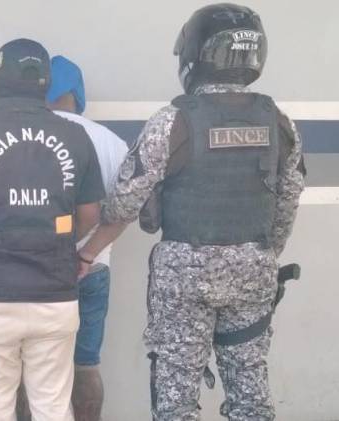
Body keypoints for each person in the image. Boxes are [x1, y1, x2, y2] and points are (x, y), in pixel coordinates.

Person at [80, 4, 305, 420]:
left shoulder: (173, 121)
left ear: (195, 55)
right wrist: (261, 253)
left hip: (184, 278)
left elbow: (126, 201)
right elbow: (289, 198)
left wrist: (86, 249)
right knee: (250, 391)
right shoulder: (278, 120)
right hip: (253, 271)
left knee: (176, 398)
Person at [0, 39, 106, 421]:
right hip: (54, 293)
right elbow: (91, 213)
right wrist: (62, 242)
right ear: (46, 82)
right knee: (52, 406)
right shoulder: (75, 136)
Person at [15, 55, 129, 421]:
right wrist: (86, 253)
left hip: (29, 271)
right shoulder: (110, 142)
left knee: (23, 367)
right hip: (91, 269)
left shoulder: (19, 135)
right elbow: (126, 210)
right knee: (85, 364)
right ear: (77, 94)